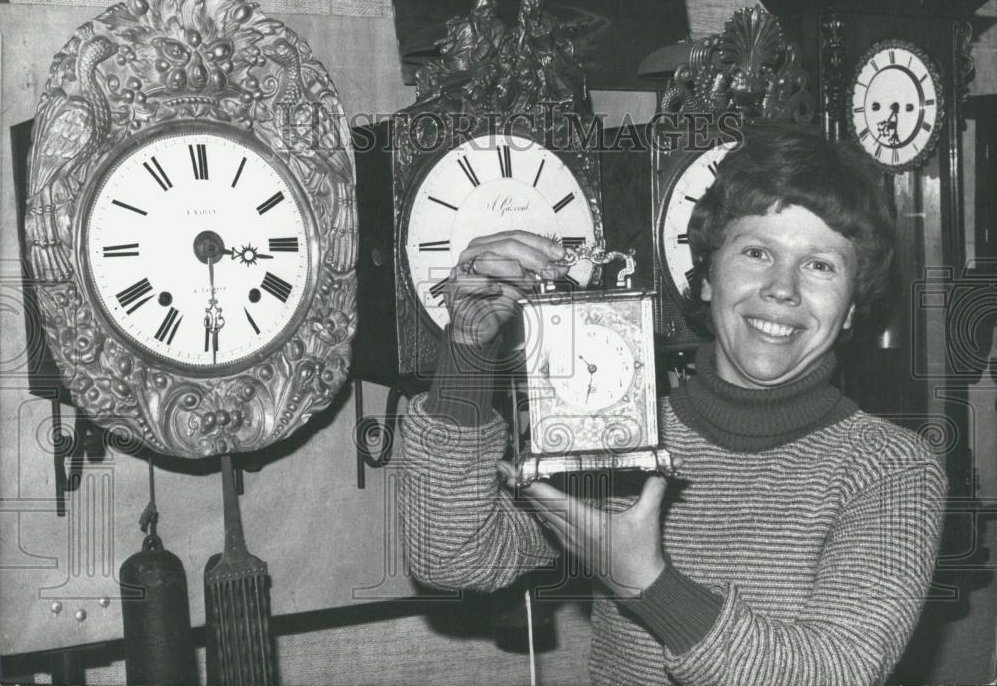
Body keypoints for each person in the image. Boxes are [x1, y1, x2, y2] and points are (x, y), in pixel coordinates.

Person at [397, 127, 946, 686]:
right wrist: (466, 349)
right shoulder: (619, 427)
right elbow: (454, 557)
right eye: (757, 252)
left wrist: (649, 585)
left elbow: (839, 672)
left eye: (821, 265)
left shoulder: (890, 468)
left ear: (852, 308)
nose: (783, 288)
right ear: (707, 276)